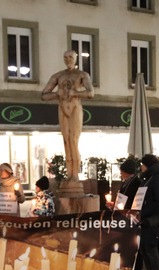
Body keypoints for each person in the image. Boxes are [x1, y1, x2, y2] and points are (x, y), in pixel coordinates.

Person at [41, 50, 94, 181]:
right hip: (62, 107)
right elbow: (43, 95)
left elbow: (91, 93)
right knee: (66, 140)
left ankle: (75, 174)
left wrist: (74, 92)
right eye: (65, 57)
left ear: (76, 59)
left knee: (74, 140)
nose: (68, 60)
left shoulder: (82, 75)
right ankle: (69, 173)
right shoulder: (58, 76)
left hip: (75, 107)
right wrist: (56, 94)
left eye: (70, 57)